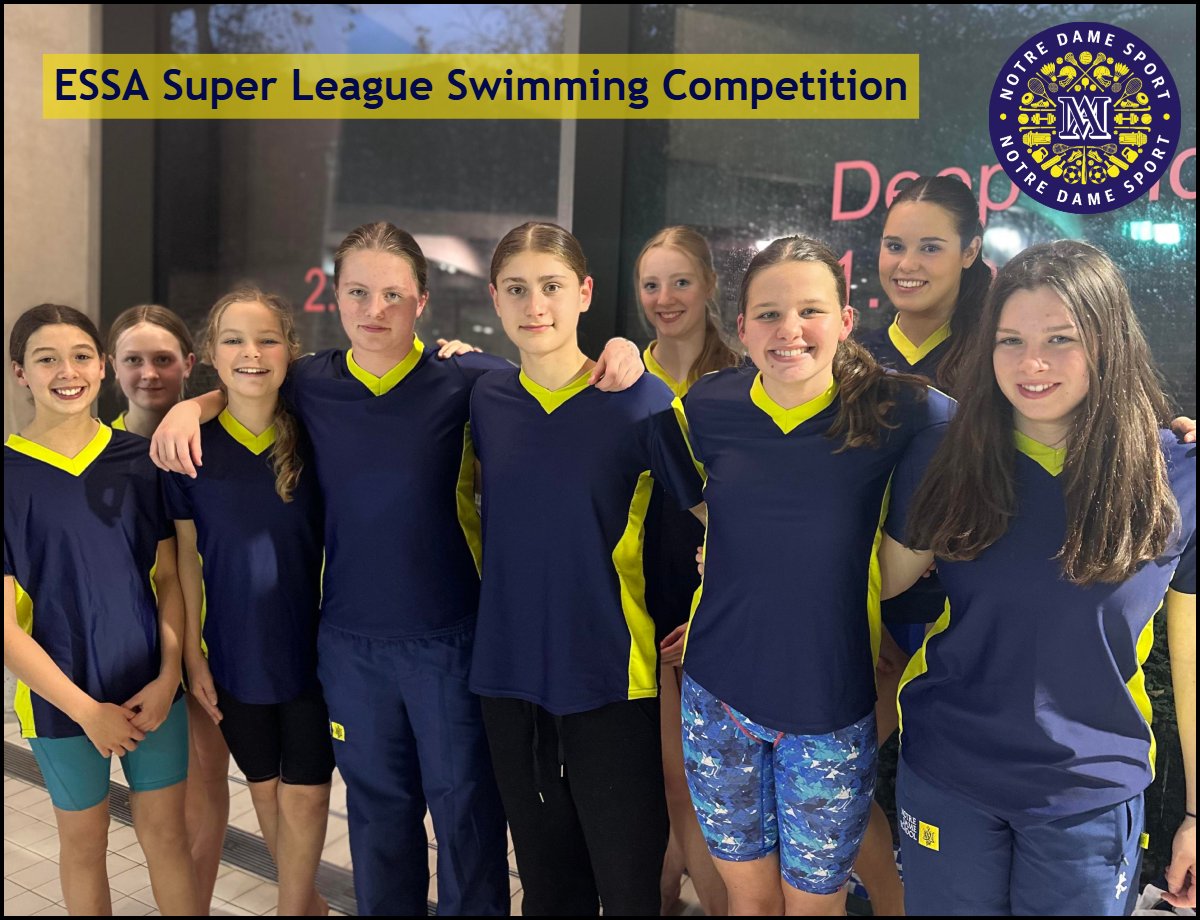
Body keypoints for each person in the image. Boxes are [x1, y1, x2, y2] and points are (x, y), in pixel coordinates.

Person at [149, 221, 647, 916]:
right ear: (334, 297)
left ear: (421, 300)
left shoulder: (468, 379)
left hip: (450, 641)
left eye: (392, 294)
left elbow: (559, 378)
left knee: (465, 815)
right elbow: (247, 384)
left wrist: (624, 351)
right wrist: (190, 407)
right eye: (358, 292)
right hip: (350, 647)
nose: (374, 310)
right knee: (378, 818)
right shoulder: (312, 382)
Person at [880, 239, 1196, 915]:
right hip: (949, 771)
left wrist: (1198, 813)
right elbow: (878, 581)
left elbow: (1195, 660)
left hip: (1090, 790)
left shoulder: (1177, 473)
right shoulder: (946, 454)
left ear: (1108, 341)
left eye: (1061, 338)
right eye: (1010, 340)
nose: (1032, 364)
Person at [677, 237, 954, 916]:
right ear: (742, 328)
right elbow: (691, 487)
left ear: (845, 321)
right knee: (749, 902)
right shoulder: (710, 404)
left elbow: (974, 421)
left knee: (813, 908)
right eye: (768, 314)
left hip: (828, 707)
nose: (789, 330)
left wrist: (1167, 435)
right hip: (717, 698)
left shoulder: (895, 411)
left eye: (810, 311)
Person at [468, 221, 706, 916]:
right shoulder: (484, 399)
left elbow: (714, 519)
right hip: (510, 675)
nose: (534, 305)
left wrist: (708, 613)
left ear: (584, 293)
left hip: (611, 676)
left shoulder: (641, 402)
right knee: (547, 888)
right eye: (516, 289)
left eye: (551, 286)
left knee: (628, 887)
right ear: (495, 298)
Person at [4, 304, 199, 916]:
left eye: (81, 356)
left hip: (152, 690)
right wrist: (87, 712)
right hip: (60, 701)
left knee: (167, 837)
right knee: (85, 845)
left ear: (103, 366)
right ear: (20, 372)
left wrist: (168, 678)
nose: (67, 371)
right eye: (46, 359)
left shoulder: (140, 461)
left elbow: (169, 578)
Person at [163, 288, 332, 915]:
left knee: (308, 794)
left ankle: (294, 910)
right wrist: (195, 659)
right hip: (235, 651)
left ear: (290, 350)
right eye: (233, 340)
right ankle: (307, 907)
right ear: (210, 352)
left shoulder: (318, 432)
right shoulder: (189, 450)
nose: (251, 353)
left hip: (318, 648)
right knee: (264, 790)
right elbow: (185, 562)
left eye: (266, 340)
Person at [106, 303, 230, 912]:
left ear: (189, 363)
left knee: (205, 791)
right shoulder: (97, 453)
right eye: (134, 360)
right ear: (113, 366)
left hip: (206, 642)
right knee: (159, 813)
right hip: (131, 647)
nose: (149, 373)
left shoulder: (218, 441)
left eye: (162, 359)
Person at [635, 225, 737, 915]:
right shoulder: (620, 377)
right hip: (637, 595)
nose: (665, 298)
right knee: (658, 780)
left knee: (697, 786)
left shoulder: (741, 382)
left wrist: (714, 605)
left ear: (709, 286)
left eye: (681, 282)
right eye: (651, 284)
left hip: (716, 601)